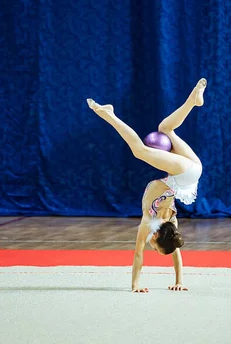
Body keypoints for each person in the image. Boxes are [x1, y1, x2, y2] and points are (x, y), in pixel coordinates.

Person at [87, 78, 207, 293]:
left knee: (165, 128)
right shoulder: (153, 224)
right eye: (156, 248)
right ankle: (109, 114)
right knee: (139, 151)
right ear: (157, 238)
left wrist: (172, 282)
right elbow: (143, 253)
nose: (151, 247)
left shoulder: (165, 226)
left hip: (192, 170)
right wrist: (136, 286)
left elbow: (152, 252)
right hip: (184, 175)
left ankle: (194, 101)